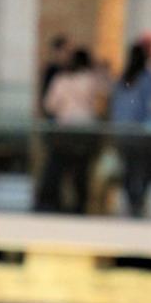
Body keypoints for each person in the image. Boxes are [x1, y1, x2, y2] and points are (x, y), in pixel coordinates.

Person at [110, 42, 151, 218]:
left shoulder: (123, 78)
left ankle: (132, 201)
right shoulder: (147, 77)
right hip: (140, 132)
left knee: (129, 168)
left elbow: (117, 107)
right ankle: (138, 201)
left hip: (122, 132)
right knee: (143, 168)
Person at [39, 48, 102, 213]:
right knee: (81, 171)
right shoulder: (91, 80)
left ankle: (53, 203)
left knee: (59, 167)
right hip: (85, 130)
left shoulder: (61, 80)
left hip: (64, 129)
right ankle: (80, 205)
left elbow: (49, 105)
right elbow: (100, 104)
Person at [38, 34, 70, 121]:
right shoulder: (51, 69)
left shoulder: (67, 69)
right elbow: (45, 90)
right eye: (65, 50)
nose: (68, 54)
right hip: (53, 111)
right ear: (57, 51)